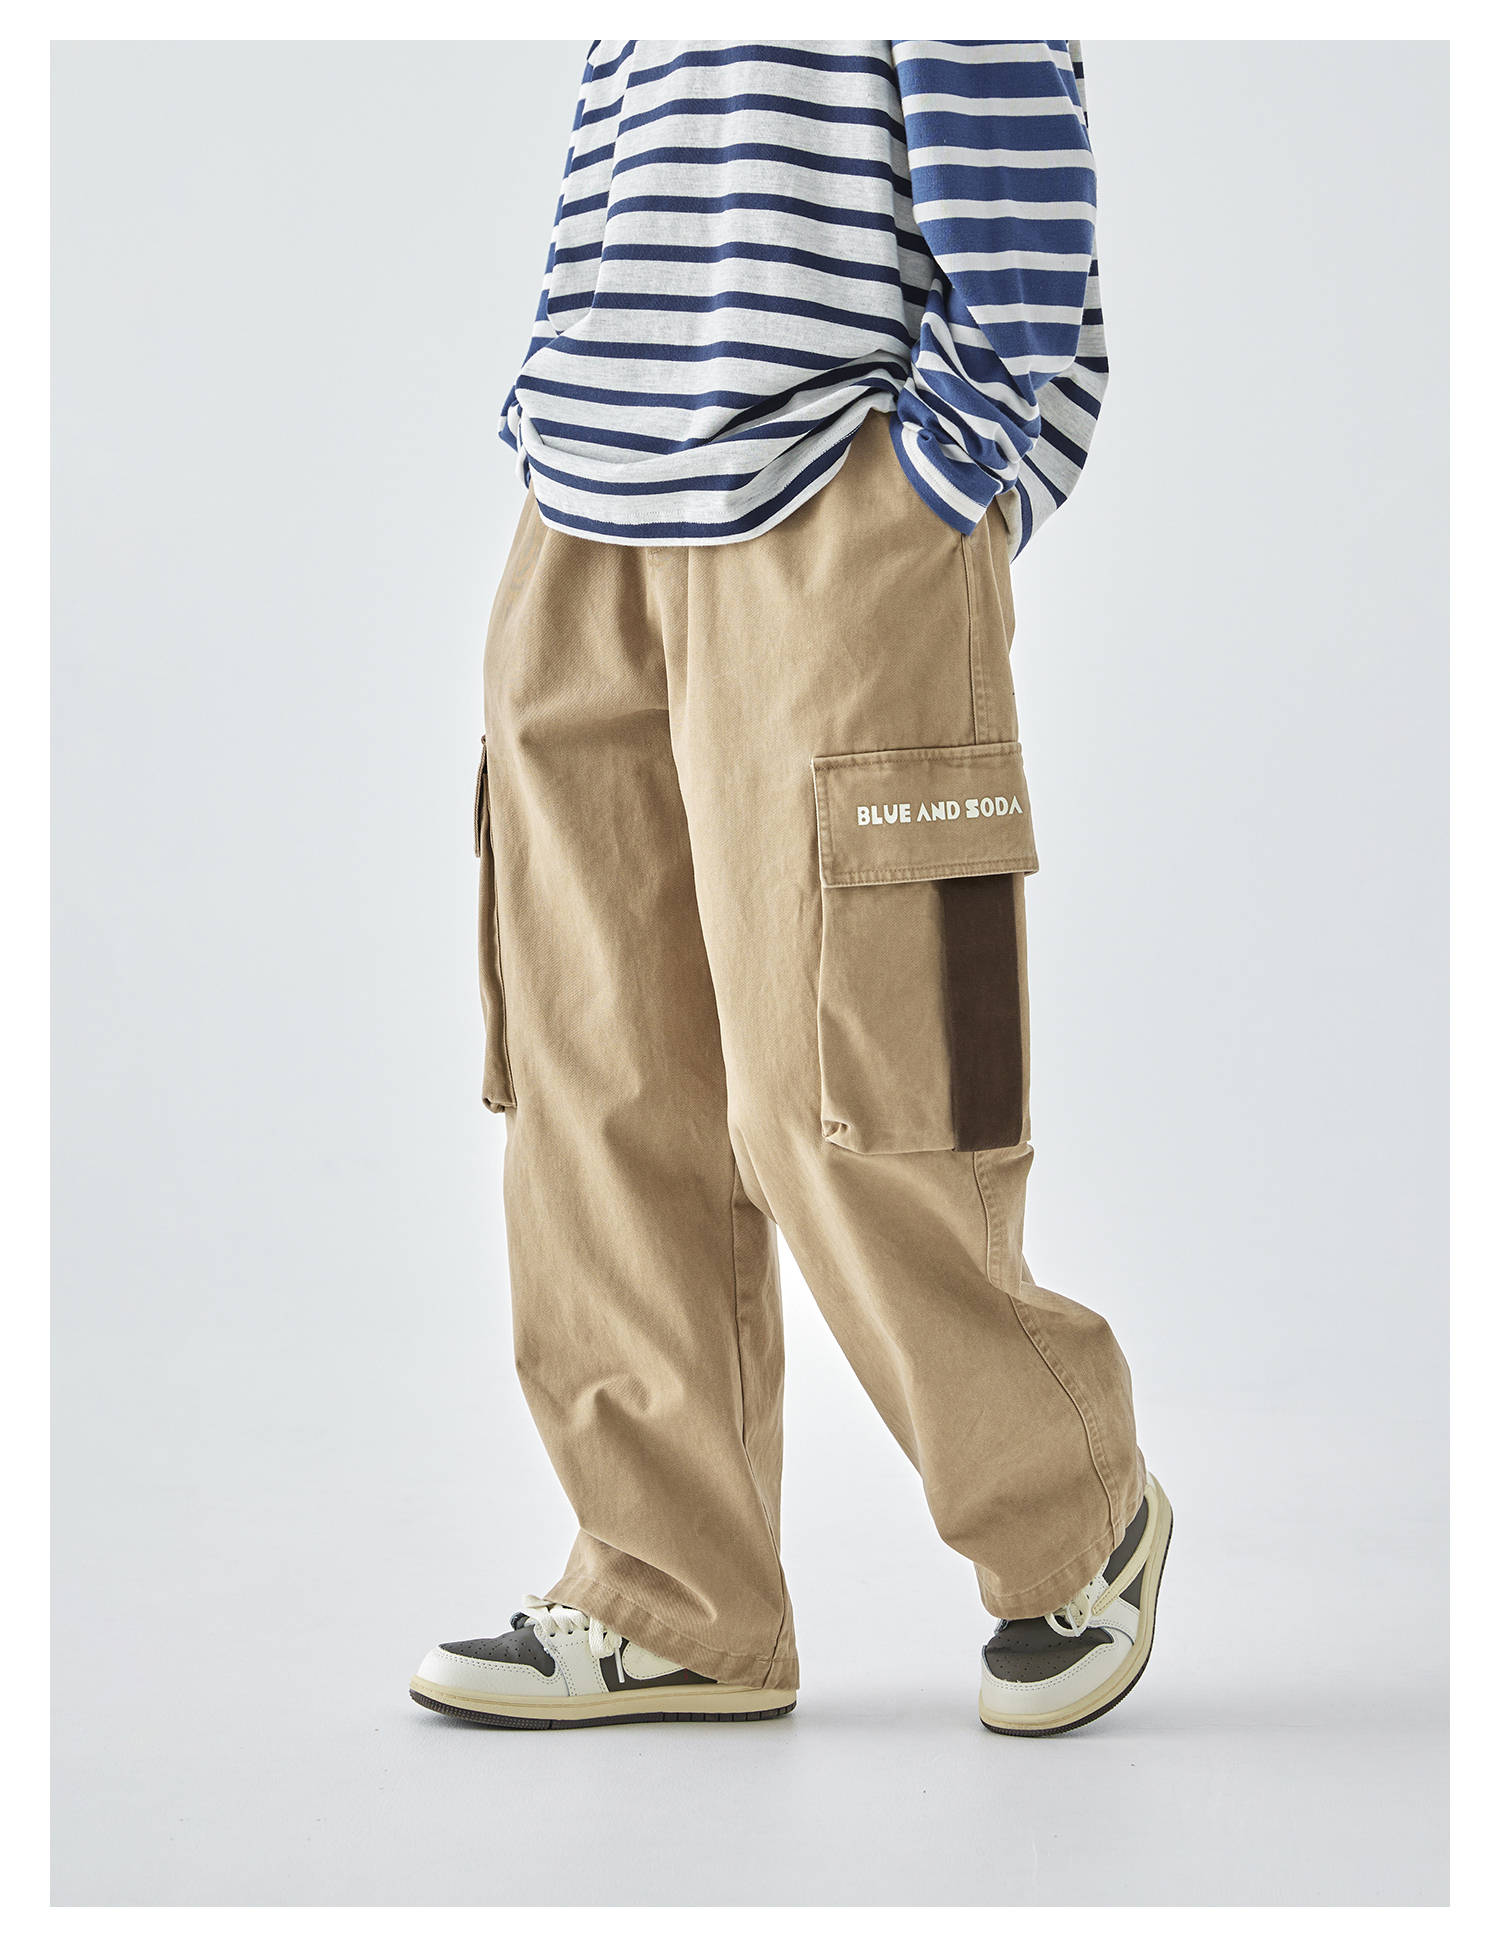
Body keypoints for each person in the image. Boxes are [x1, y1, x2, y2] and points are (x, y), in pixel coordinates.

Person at [410, 38, 1171, 1738]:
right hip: (587, 514)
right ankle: (672, 1596)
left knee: (846, 1087)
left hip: (834, 496)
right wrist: (555, 413)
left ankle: (1073, 1514)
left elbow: (1015, 167)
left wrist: (943, 475)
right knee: (600, 1087)